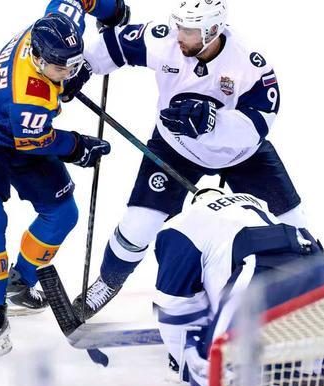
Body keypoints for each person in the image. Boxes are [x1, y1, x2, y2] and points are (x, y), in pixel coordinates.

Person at [67, 0, 310, 320]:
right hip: (174, 149)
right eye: (179, 26)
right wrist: (80, 68)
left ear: (212, 31)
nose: (179, 35)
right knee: (137, 226)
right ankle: (107, 283)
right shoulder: (166, 41)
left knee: (294, 224)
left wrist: (213, 125)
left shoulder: (248, 64)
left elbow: (258, 126)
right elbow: (115, 44)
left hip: (241, 155)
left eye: (190, 30)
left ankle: (312, 284)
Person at [0, 0, 130, 362]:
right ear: (37, 57)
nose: (68, 73)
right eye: (60, 68)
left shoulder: (59, 25)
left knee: (62, 213)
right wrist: (77, 146)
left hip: (20, 129)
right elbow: (36, 141)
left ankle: (20, 281)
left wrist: (112, 11)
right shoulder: (28, 93)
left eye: (73, 64)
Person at [152, 188, 324, 386]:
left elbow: (174, 306)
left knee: (214, 363)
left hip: (259, 280)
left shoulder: (182, 224)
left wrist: (184, 361)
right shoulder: (253, 201)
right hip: (320, 276)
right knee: (268, 347)